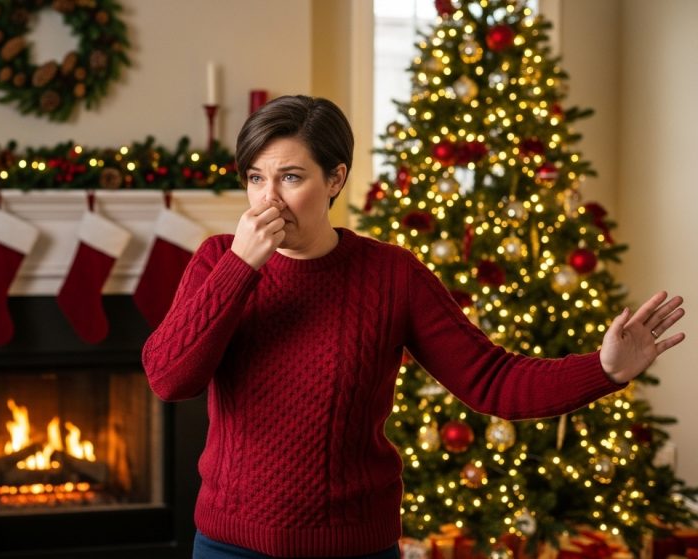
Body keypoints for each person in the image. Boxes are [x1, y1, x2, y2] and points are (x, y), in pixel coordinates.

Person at [141, 95, 687, 559]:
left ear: (335, 179)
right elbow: (169, 379)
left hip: (353, 548)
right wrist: (242, 268)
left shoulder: (391, 275)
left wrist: (604, 369)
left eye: (290, 177)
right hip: (228, 547)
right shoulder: (219, 261)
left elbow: (491, 380)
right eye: (256, 178)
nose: (268, 199)